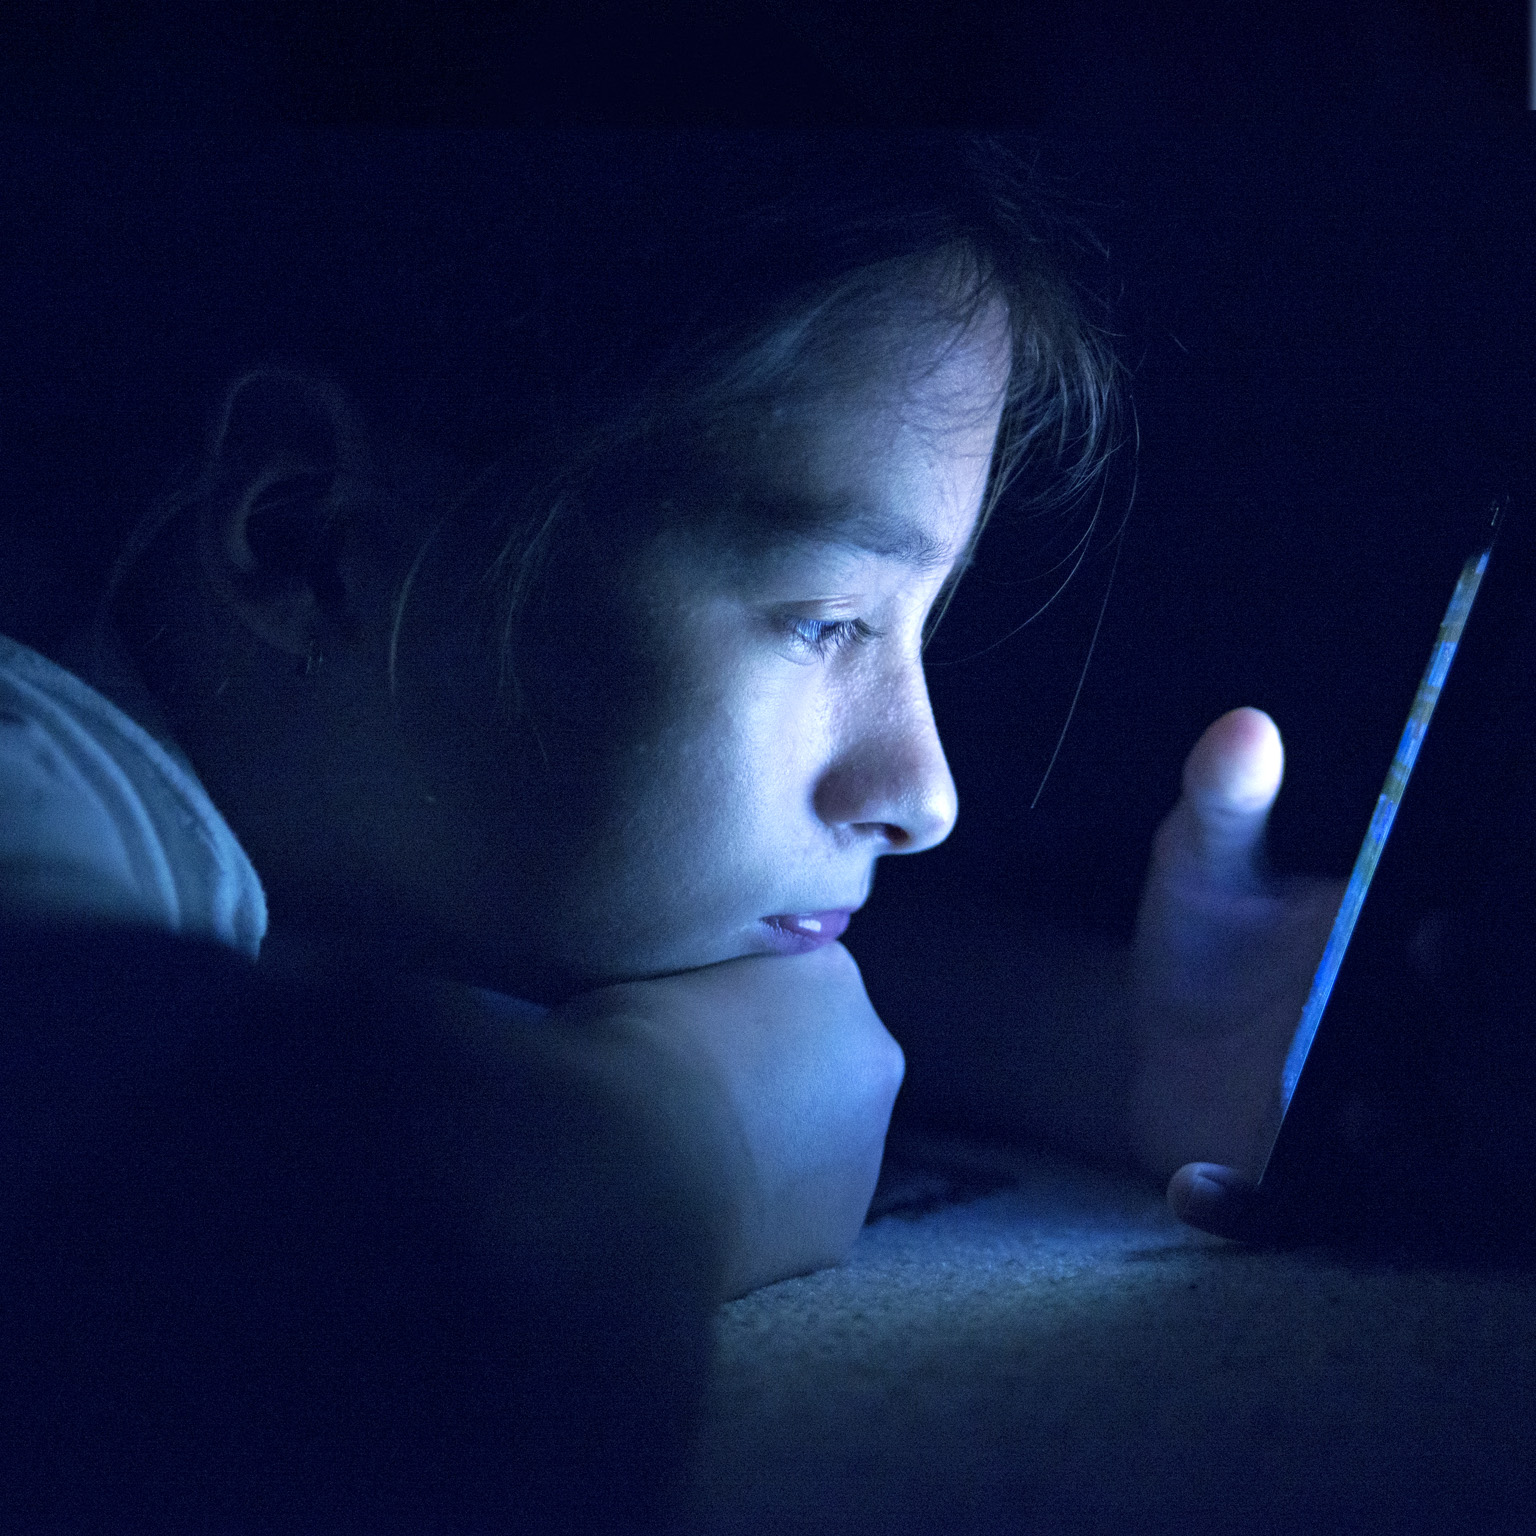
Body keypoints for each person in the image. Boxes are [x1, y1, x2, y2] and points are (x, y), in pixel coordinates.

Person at [0, 134, 1342, 1528]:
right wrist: (683, 1142)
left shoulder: (347, 818)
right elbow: (331, 1328)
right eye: (826, 619)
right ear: (310, 539)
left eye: (916, 633)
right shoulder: (36, 763)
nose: (927, 792)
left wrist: (1119, 1048)